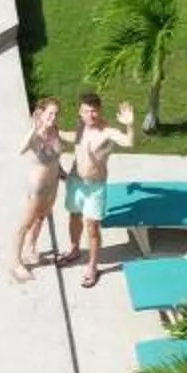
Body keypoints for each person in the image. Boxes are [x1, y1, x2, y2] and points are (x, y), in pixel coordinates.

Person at [62, 91, 136, 287]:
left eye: (94, 111)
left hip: (95, 187)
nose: (91, 115)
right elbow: (71, 141)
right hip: (75, 183)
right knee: (74, 216)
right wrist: (51, 130)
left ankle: (93, 266)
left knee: (92, 227)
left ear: (100, 111)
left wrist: (129, 124)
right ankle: (74, 248)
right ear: (80, 112)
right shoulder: (80, 127)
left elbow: (129, 142)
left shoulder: (107, 132)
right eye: (86, 111)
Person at [11, 99, 63, 281]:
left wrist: (61, 171)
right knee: (24, 225)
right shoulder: (35, 136)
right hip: (37, 190)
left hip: (52, 186)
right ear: (41, 114)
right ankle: (16, 263)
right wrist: (34, 128)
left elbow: (56, 157)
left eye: (56, 114)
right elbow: (21, 149)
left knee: (42, 218)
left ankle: (31, 248)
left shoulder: (55, 131)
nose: (53, 117)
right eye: (50, 113)